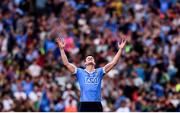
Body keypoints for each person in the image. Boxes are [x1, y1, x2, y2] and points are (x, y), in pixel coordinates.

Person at [56, 33, 127, 112]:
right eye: (88, 58)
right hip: (84, 103)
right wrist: (62, 49)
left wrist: (120, 49)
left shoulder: (99, 71)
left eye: (92, 58)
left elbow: (114, 63)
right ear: (85, 63)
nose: (90, 58)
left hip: (96, 103)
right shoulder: (80, 72)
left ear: (94, 63)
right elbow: (66, 63)